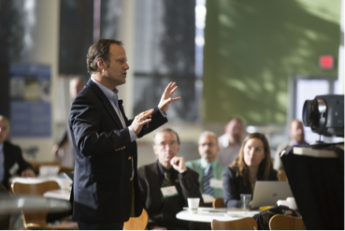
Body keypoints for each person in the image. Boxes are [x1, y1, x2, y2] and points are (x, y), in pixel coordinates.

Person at [68, 39, 181, 230]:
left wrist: (158, 112)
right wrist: (129, 131)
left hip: (111, 203)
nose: (127, 66)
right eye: (121, 61)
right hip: (97, 205)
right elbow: (86, 143)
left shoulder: (108, 96)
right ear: (101, 64)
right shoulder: (86, 100)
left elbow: (126, 129)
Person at [138, 128, 204, 231]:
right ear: (155, 149)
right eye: (163, 144)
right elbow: (137, 210)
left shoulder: (189, 174)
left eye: (172, 143)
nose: (168, 148)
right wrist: (151, 227)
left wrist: (183, 173)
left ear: (178, 147)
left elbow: (197, 205)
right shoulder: (143, 174)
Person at [223, 133, 278, 208]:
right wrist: (249, 204)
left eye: (257, 149)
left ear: (264, 155)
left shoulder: (271, 174)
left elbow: (276, 202)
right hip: (240, 218)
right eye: (249, 148)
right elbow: (229, 203)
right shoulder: (231, 172)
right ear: (243, 150)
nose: (252, 153)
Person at [52, 77, 84, 168]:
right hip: (73, 151)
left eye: (78, 87)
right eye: (73, 88)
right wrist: (58, 145)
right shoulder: (73, 104)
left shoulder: (85, 104)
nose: (75, 90)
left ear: (83, 87)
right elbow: (69, 128)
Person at [186, 131, 225, 198]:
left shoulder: (225, 171)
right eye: (203, 144)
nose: (207, 148)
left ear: (218, 148)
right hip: (196, 206)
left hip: (219, 206)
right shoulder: (189, 167)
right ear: (198, 149)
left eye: (210, 144)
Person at [0, 115, 35, 190]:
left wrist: (28, 170)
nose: (0, 131)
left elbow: (24, 165)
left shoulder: (14, 150)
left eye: (4, 128)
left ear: (7, 133)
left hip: (5, 194)